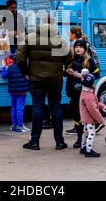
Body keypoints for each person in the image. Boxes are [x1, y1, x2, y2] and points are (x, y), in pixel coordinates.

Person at [17, 16, 70, 150]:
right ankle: (59, 142)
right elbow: (69, 59)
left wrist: (26, 73)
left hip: (36, 79)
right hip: (55, 80)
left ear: (41, 24)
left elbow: (20, 58)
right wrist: (62, 72)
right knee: (56, 108)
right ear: (53, 25)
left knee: (37, 108)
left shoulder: (30, 38)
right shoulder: (60, 40)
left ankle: (34, 142)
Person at [65, 38, 100, 149]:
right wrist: (67, 72)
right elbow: (64, 73)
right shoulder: (70, 60)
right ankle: (79, 138)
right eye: (76, 47)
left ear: (84, 49)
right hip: (72, 92)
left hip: (84, 93)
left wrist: (83, 76)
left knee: (83, 116)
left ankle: (84, 139)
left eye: (80, 47)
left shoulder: (89, 61)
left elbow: (97, 75)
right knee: (75, 115)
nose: (78, 49)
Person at [1, 54, 31, 133]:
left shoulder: (10, 68)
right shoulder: (24, 68)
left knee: (13, 107)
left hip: (12, 91)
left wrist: (3, 67)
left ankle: (14, 125)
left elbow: (4, 76)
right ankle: (20, 126)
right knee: (20, 108)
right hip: (22, 91)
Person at [79, 69, 105, 157]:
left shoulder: (85, 92)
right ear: (90, 84)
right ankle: (89, 150)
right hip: (89, 118)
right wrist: (101, 120)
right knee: (91, 133)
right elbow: (92, 109)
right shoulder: (89, 95)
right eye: (93, 83)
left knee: (85, 132)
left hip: (85, 117)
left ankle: (83, 148)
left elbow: (94, 104)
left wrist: (101, 106)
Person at [65, 27, 83, 135]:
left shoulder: (75, 46)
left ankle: (79, 128)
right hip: (76, 82)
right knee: (77, 107)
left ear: (74, 35)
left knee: (76, 107)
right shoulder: (80, 44)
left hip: (76, 82)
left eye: (70, 33)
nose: (68, 35)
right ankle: (78, 127)